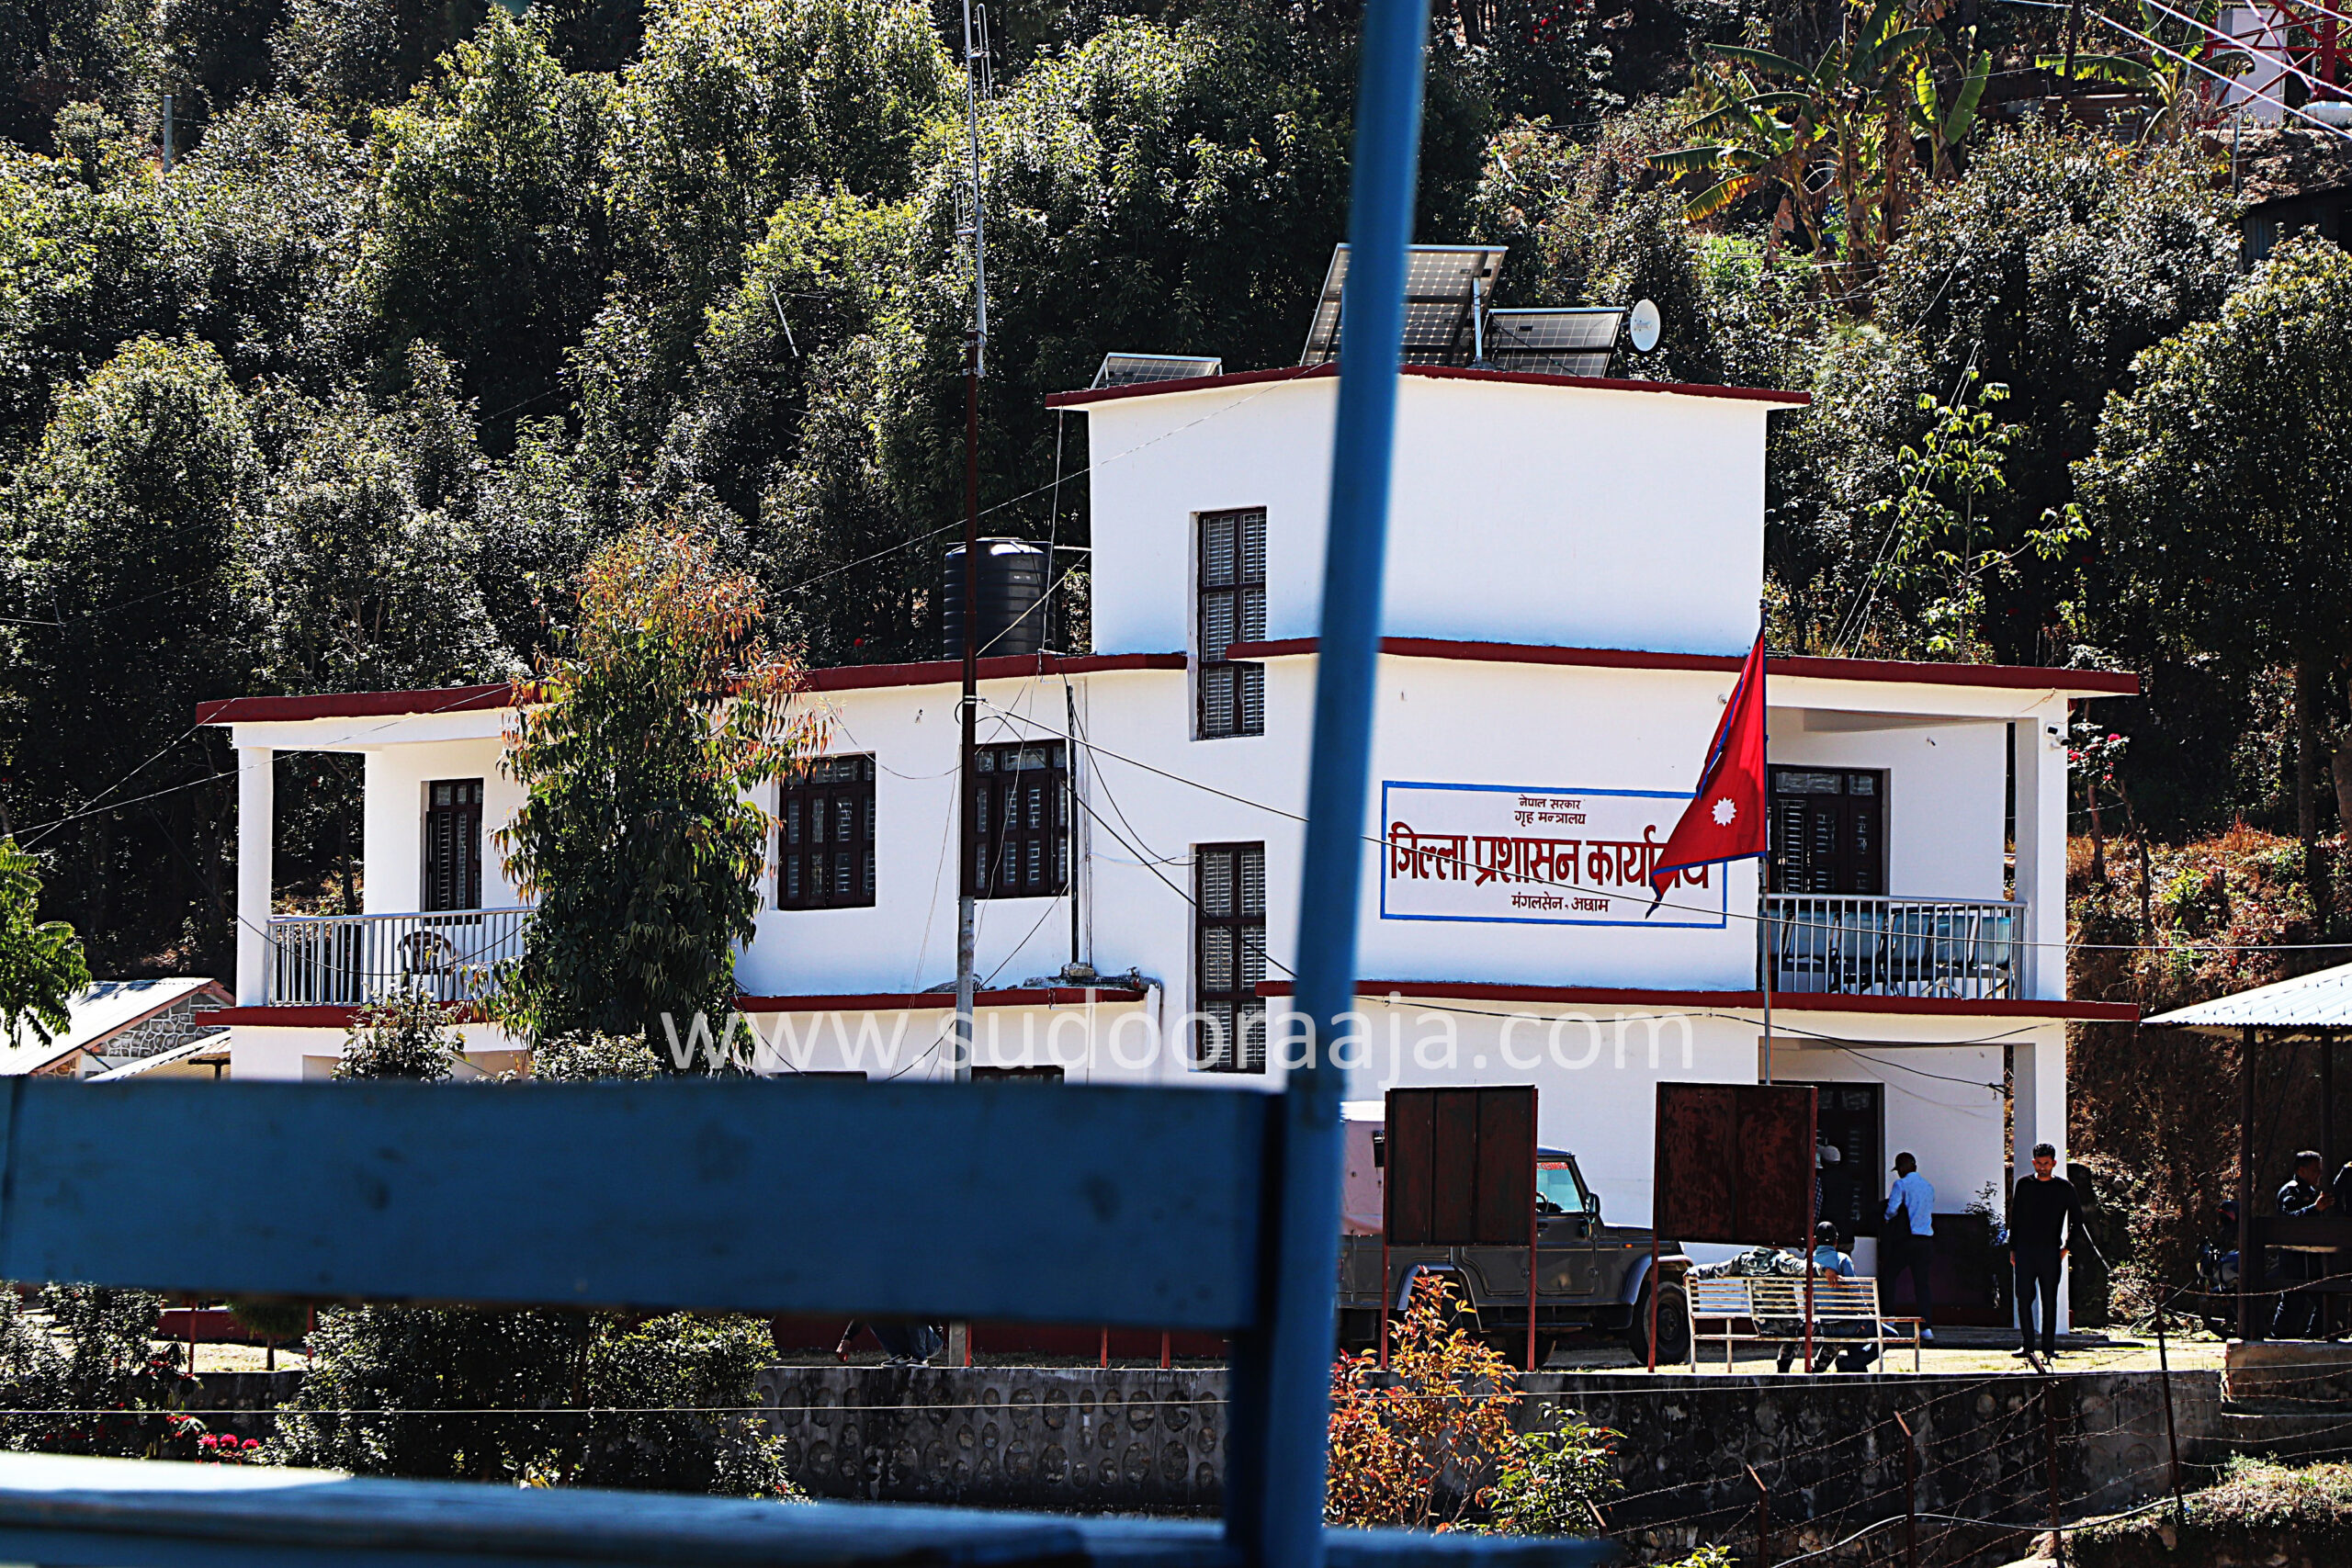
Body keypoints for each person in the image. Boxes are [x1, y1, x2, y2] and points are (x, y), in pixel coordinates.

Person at [2009, 1143, 2081, 1359]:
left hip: (2050, 1251)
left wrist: (2067, 1247)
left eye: (2046, 1163)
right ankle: (2027, 1345)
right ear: (2034, 1163)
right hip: (2025, 1250)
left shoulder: (2064, 1188)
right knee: (2023, 1297)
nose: (2042, 1168)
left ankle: (2048, 1347)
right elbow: (2016, 1217)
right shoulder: (2024, 1185)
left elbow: (2077, 1220)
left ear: (2054, 1163)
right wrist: (2013, 1248)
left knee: (2049, 1299)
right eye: (2039, 1163)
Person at [2272, 1150, 2333, 1340]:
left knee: (2325, 1298)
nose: (2318, 1174)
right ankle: (2279, 1339)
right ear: (2301, 1170)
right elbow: (2288, 1219)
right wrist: (2314, 1209)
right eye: (2315, 1170)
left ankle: (2313, 1337)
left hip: (2311, 1255)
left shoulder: (2313, 1192)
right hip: (2293, 1256)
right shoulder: (2290, 1191)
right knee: (2293, 1299)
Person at [1883, 1152, 1936, 1343]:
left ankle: (1890, 1318)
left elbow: (1892, 1209)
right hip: (1926, 1239)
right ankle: (1926, 1326)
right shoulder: (1928, 1187)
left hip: (1906, 1239)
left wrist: (1886, 1219)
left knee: (1889, 1275)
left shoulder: (1901, 1184)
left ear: (1903, 1167)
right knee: (1922, 1284)